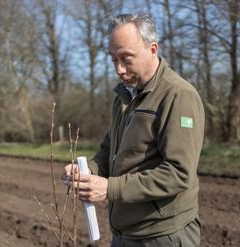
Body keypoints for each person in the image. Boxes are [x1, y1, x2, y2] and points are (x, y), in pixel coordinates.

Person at [62, 13, 205, 247]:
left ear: (152, 49)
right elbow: (110, 151)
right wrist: (86, 173)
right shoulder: (124, 96)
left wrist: (110, 188)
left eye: (126, 58)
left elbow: (178, 174)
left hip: (162, 236)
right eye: (113, 59)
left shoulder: (178, 96)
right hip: (124, 234)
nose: (119, 69)